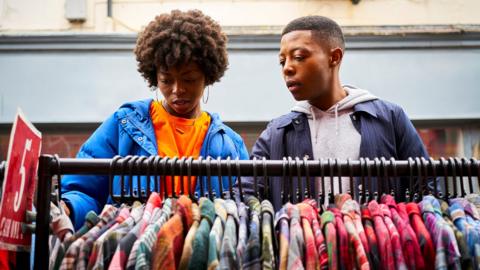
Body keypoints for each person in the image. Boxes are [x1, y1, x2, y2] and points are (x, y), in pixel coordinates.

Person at [61, 9, 249, 229]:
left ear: (208, 76)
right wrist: (67, 208)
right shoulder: (124, 125)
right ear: (153, 76)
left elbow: (242, 211)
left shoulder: (230, 145)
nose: (177, 90)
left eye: (189, 79)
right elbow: (84, 189)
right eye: (166, 80)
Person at [241, 15, 429, 210]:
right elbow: (246, 193)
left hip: (376, 239)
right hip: (302, 240)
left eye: (298, 57)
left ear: (334, 57)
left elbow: (427, 189)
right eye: (282, 61)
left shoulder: (389, 118)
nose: (287, 68)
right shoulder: (277, 132)